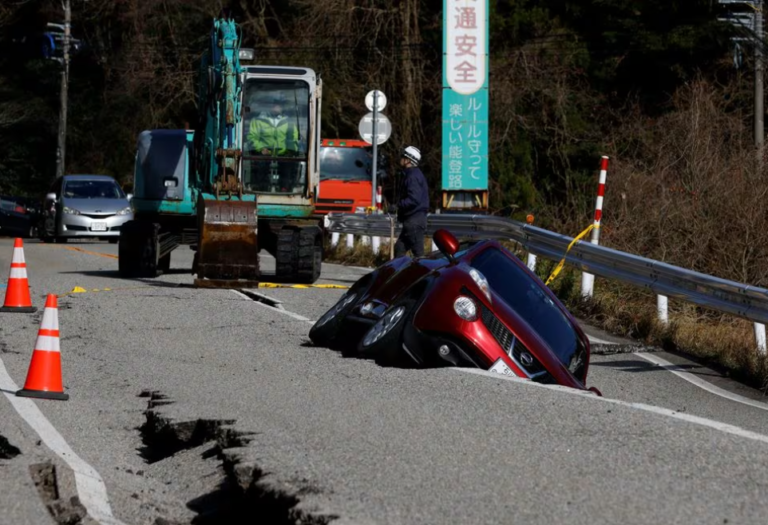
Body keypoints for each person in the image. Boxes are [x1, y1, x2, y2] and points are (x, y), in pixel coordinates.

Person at [389, 145, 429, 257]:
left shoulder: (412, 176)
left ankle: (424, 274)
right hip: (411, 221)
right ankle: (400, 273)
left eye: (402, 156)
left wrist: (397, 206)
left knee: (419, 255)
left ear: (408, 160)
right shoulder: (411, 174)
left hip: (414, 222)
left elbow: (414, 199)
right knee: (399, 250)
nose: (400, 158)